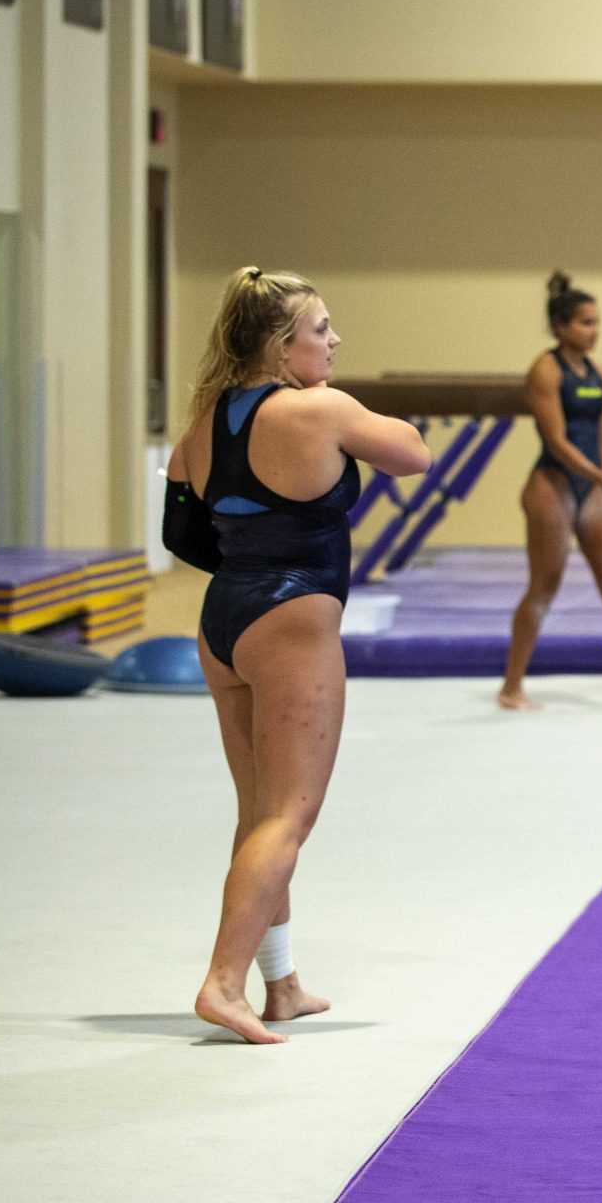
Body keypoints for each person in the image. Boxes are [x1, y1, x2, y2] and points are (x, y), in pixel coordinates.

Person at [160, 267, 431, 1044]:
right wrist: (355, 419)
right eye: (322, 329)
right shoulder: (319, 409)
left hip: (224, 620)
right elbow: (412, 454)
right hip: (293, 618)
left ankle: (279, 982)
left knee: (259, 815)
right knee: (287, 816)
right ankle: (222, 981)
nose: (335, 340)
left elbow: (182, 522)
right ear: (283, 346)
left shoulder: (206, 417)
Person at [499, 272, 602, 710]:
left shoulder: (601, 375)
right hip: (551, 484)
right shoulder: (544, 371)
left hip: (590, 488)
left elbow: (600, 432)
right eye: (585, 323)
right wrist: (598, 476)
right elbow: (556, 440)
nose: (594, 330)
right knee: (544, 585)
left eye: (596, 322)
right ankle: (512, 686)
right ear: (560, 327)